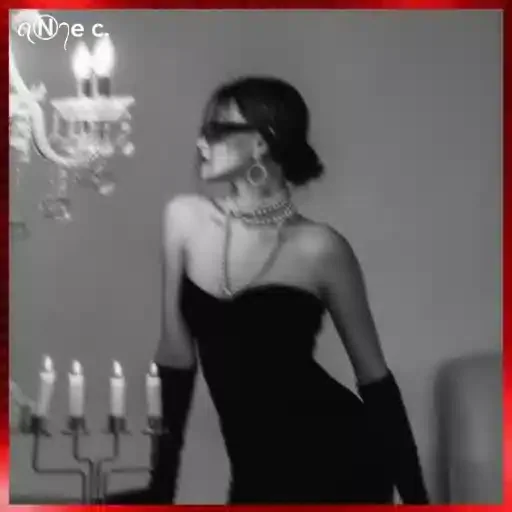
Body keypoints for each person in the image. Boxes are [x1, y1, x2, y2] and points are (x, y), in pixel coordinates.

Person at [105, 76, 429, 504]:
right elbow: (175, 358)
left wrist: (418, 501)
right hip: (254, 471)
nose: (201, 142)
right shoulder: (184, 221)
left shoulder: (321, 248)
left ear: (261, 142)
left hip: (342, 461)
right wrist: (161, 486)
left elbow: (375, 381)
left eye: (216, 130)